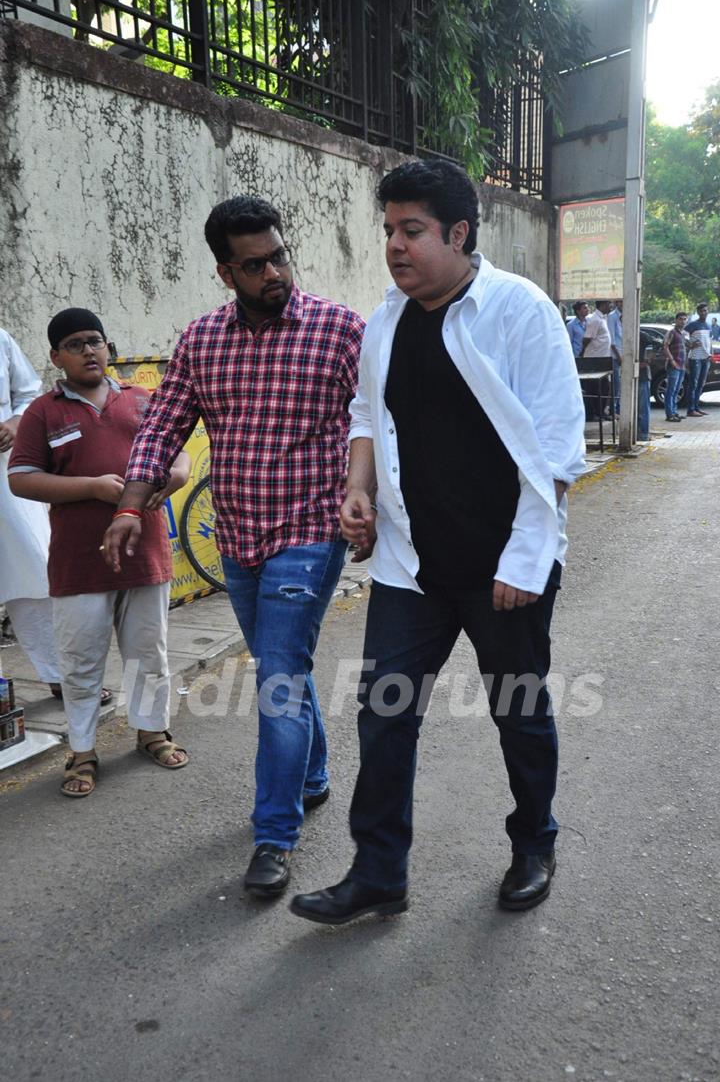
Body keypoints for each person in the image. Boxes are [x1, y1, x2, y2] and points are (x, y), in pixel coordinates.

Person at [290, 160, 586, 926]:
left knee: (518, 709)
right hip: (409, 566)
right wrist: (359, 489)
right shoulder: (386, 319)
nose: (394, 245)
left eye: (411, 230)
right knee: (384, 714)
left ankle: (534, 842)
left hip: (503, 568)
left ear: (458, 233)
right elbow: (365, 412)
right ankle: (379, 871)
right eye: (388, 229)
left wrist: (526, 559)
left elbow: (555, 449)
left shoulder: (519, 312)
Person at [102, 197, 365, 897]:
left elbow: (380, 424)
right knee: (286, 663)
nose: (275, 272)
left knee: (277, 678)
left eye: (280, 255)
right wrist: (133, 503)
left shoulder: (341, 331)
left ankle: (274, 837)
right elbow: (161, 429)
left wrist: (374, 505)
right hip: (237, 537)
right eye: (255, 265)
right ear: (226, 271)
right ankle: (311, 776)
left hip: (310, 533)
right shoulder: (200, 340)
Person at [8, 308, 190, 796]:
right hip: (77, 561)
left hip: (144, 552)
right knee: (80, 659)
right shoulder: (43, 412)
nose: (89, 350)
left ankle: (152, 731)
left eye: (95, 340)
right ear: (55, 357)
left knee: (148, 652)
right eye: (75, 344)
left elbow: (180, 457)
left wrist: (162, 481)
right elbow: (21, 478)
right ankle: (83, 750)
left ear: (108, 347)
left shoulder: (142, 402)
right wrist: (91, 486)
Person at [1, 327, 63, 693]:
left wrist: (13, 422)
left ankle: (60, 674)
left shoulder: (1, 340)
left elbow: (27, 391)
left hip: (6, 472)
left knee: (35, 567)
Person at [684, 303, 712, 417]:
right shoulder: (692, 325)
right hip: (695, 358)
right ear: (698, 312)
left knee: (701, 384)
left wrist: (711, 354)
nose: (703, 313)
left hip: (706, 358)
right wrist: (690, 345)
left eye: (705, 310)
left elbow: (709, 341)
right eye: (701, 311)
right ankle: (690, 410)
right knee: (693, 383)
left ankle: (696, 407)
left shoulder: (708, 325)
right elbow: (682, 336)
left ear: (707, 312)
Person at [662, 312, 688, 422]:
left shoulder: (683, 334)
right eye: (680, 319)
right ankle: (669, 414)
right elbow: (665, 346)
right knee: (671, 390)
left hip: (681, 366)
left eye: (684, 319)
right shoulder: (671, 332)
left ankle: (674, 412)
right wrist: (672, 360)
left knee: (676, 391)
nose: (682, 321)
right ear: (676, 320)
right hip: (674, 365)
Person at [607, 299, 623, 415]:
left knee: (623, 385)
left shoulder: (627, 315)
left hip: (625, 354)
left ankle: (619, 409)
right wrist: (618, 356)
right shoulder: (612, 317)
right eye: (620, 302)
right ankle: (613, 410)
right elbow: (611, 341)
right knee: (615, 385)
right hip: (615, 355)